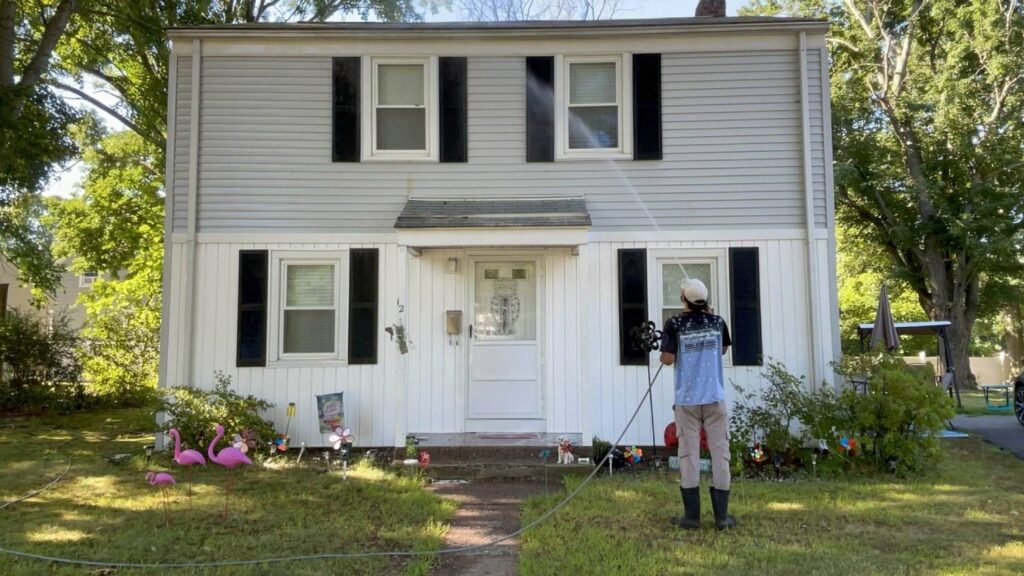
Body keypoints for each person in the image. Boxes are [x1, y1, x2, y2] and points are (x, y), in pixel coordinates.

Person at [660, 278, 736, 531]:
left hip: (688, 400)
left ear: (684, 298)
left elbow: (668, 359)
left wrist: (664, 349)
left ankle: (692, 517)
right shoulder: (717, 322)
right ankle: (721, 518)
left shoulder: (674, 323)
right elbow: (723, 349)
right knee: (720, 454)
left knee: (689, 455)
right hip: (715, 397)